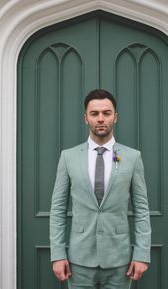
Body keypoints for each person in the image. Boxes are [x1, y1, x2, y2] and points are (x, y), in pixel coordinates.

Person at [50, 89, 151, 289]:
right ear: (86, 118)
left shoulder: (132, 157)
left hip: (120, 262)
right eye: (94, 114)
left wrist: (142, 254)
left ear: (116, 117)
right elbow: (58, 209)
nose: (101, 119)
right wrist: (58, 254)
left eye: (106, 113)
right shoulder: (68, 157)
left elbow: (141, 209)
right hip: (78, 262)